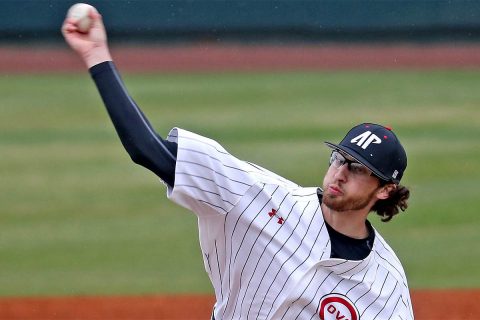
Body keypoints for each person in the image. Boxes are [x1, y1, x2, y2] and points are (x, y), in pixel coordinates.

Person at [62, 8, 414, 320]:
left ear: (385, 190)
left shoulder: (385, 284)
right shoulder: (260, 197)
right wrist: (97, 55)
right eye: (339, 158)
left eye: (357, 169)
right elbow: (148, 150)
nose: (339, 172)